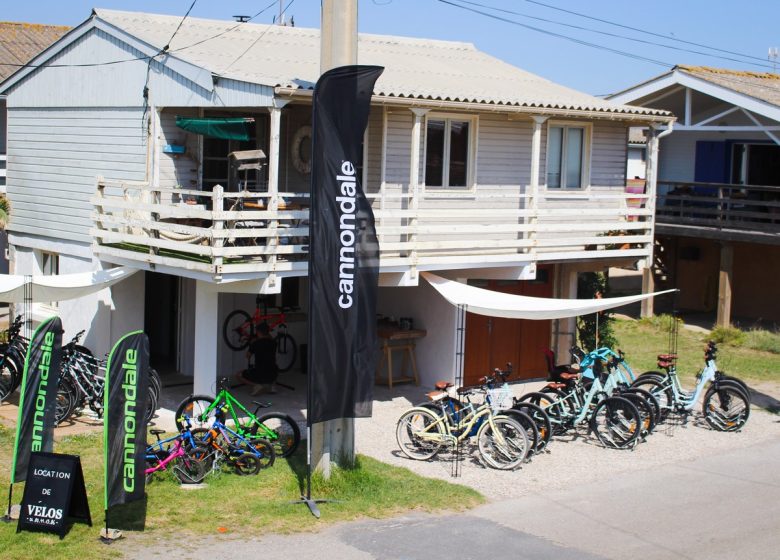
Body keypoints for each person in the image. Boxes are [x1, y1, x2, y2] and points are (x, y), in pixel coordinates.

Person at [238, 322, 278, 395]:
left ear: (258, 332)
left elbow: (248, 356)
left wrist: (252, 344)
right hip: (273, 374)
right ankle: (272, 386)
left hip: (260, 373)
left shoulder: (256, 343)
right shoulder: (274, 343)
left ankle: (257, 386)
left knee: (239, 374)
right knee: (273, 367)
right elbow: (269, 338)